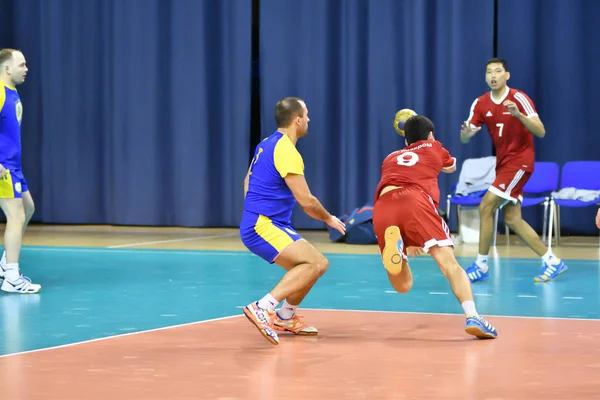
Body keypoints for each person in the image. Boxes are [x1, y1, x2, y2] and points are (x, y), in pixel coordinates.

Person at [372, 115, 497, 339]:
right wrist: (432, 144)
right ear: (430, 135)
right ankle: (473, 316)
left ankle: (398, 247)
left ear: (405, 142)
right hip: (415, 200)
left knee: (403, 285)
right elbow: (451, 167)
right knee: (450, 265)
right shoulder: (434, 146)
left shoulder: (390, 157)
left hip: (382, 207)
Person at [240, 97, 345, 345]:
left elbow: (247, 181)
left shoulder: (266, 144)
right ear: (297, 120)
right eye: (306, 115)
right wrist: (329, 218)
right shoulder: (287, 150)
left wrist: (254, 209)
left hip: (265, 222)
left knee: (313, 266)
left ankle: (285, 317)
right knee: (315, 262)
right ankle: (262, 307)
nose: (309, 119)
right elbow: (306, 201)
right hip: (263, 225)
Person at [460, 57, 567, 283]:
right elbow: (465, 138)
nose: (493, 76)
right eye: (489, 72)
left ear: (507, 75)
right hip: (503, 165)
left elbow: (541, 131)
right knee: (512, 219)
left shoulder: (519, 98)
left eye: (498, 71)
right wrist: (467, 134)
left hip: (520, 162)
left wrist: (519, 114)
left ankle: (481, 265)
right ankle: (553, 261)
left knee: (485, 206)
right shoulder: (480, 103)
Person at [0, 49, 41, 294]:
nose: (26, 69)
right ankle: (12, 277)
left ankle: (5, 265)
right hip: (3, 169)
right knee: (15, 216)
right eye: (22, 64)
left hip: (14, 166)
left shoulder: (12, 92)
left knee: (28, 208)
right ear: (7, 68)